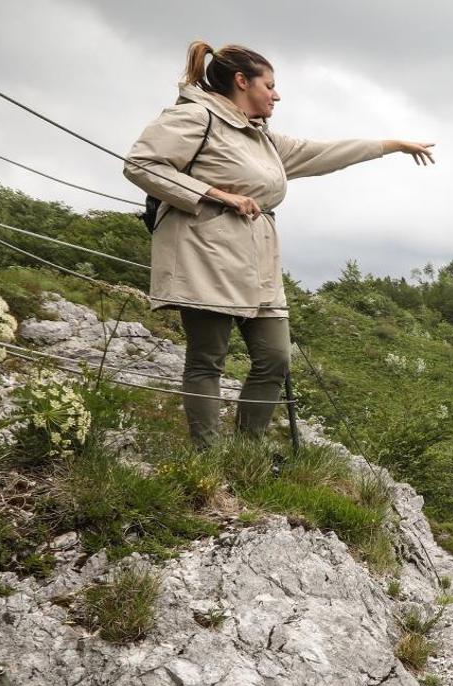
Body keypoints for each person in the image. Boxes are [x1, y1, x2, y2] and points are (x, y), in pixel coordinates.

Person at [125, 41, 434, 445]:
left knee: (274, 358)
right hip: (205, 253)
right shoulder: (195, 117)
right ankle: (207, 456)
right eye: (269, 85)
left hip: (258, 260)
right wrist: (217, 194)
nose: (277, 94)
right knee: (207, 360)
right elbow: (141, 164)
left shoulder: (262, 139)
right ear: (241, 82)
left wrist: (389, 146)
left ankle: (246, 451)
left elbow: (321, 152)